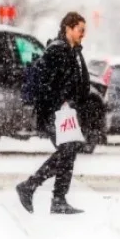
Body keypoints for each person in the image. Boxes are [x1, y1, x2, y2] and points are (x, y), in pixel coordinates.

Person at [16, 11, 90, 215]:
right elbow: (46, 84)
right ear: (68, 28)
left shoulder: (72, 50)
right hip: (54, 112)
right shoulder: (57, 51)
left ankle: (57, 198)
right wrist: (60, 102)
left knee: (69, 150)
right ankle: (31, 187)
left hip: (65, 111)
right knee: (67, 149)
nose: (83, 34)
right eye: (80, 30)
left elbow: (76, 81)